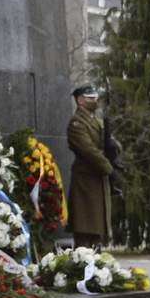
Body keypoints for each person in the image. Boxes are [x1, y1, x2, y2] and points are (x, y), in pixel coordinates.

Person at [66, 85, 115, 247]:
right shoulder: (77, 123)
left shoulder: (94, 121)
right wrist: (108, 168)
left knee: (96, 231)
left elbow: (105, 144)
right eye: (90, 98)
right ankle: (83, 268)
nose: (95, 101)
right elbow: (88, 150)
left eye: (95, 98)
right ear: (80, 100)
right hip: (86, 182)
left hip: (97, 179)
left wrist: (114, 147)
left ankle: (95, 268)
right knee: (85, 228)